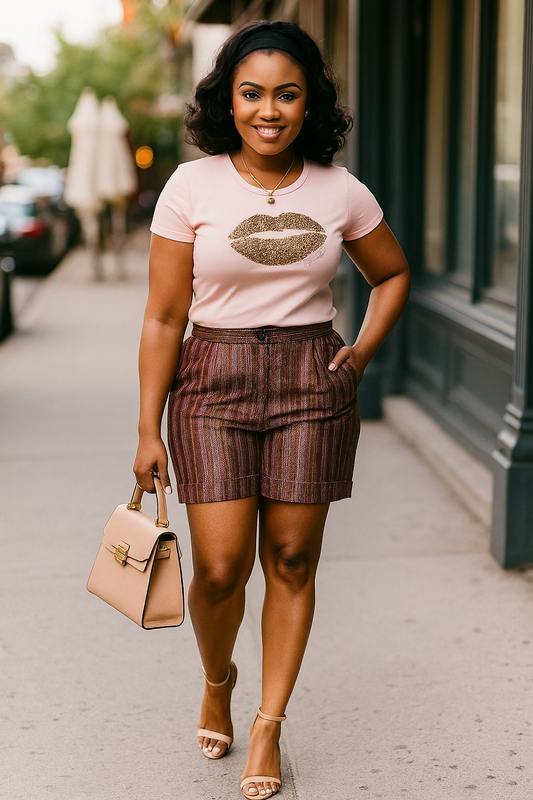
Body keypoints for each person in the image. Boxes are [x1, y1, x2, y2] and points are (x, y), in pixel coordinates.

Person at [133, 19, 410, 799]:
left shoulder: (340, 188)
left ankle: (267, 723)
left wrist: (357, 354)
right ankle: (217, 677)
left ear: (308, 102)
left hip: (307, 380)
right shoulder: (190, 187)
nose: (268, 110)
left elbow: (391, 274)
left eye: (286, 94)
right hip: (211, 377)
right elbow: (161, 317)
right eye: (251, 93)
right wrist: (146, 428)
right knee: (220, 569)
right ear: (227, 101)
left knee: (290, 561)